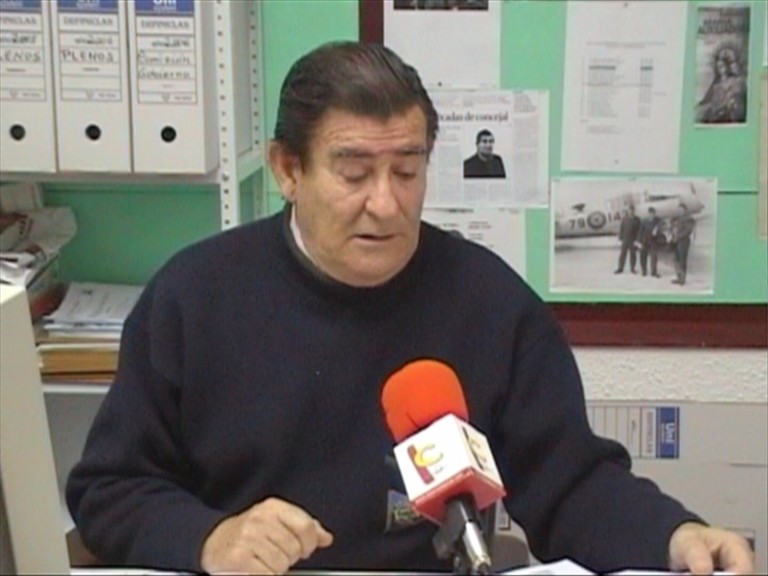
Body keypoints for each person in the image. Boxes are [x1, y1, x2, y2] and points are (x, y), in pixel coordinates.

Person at [66, 42, 754, 575]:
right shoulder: (195, 297)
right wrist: (211, 538)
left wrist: (675, 535)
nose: (387, 204)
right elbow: (109, 489)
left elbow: (568, 483)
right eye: (354, 172)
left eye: (407, 170)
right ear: (287, 169)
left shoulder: (488, 302)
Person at [670, 202, 697, 286]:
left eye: (681, 210)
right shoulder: (677, 218)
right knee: (676, 259)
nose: (680, 211)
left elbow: (687, 231)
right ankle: (678, 277)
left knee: (682, 260)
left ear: (685, 210)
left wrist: (677, 237)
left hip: (683, 242)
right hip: (676, 241)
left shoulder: (688, 219)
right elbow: (673, 228)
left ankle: (682, 279)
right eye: (679, 210)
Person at [614, 204, 641, 275]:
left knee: (633, 254)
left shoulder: (637, 220)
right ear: (628, 211)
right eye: (630, 210)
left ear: (634, 211)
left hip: (633, 240)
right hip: (625, 239)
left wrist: (638, 239)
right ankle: (620, 268)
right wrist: (620, 237)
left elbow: (639, 230)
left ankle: (632, 268)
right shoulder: (624, 219)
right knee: (622, 254)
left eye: (632, 210)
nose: (631, 211)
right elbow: (621, 228)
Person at [638, 206, 663, 278]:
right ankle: (644, 270)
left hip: (653, 241)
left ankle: (654, 272)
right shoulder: (644, 221)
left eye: (653, 213)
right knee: (643, 256)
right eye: (650, 213)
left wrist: (658, 228)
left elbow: (662, 223)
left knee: (654, 256)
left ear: (654, 214)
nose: (651, 215)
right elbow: (640, 231)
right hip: (645, 240)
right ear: (648, 214)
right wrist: (639, 241)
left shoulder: (657, 221)